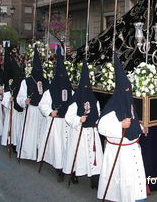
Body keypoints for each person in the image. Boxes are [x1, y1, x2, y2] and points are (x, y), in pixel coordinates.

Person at [97, 54, 147, 202]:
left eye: (129, 90)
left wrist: (140, 127)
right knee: (123, 185)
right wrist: (120, 125)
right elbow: (101, 127)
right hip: (119, 152)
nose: (128, 93)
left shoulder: (129, 104)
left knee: (134, 185)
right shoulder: (112, 108)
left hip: (132, 149)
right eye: (125, 90)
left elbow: (133, 119)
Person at [63, 60, 103, 188]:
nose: (86, 89)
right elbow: (68, 116)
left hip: (91, 133)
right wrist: (78, 120)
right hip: (78, 132)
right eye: (84, 87)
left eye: (88, 87)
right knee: (78, 155)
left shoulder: (94, 100)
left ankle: (94, 179)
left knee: (94, 156)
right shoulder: (75, 100)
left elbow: (98, 114)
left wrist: (95, 122)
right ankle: (74, 173)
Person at [38, 47, 75, 182]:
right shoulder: (50, 92)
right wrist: (50, 112)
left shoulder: (71, 92)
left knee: (70, 147)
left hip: (68, 124)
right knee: (59, 148)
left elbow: (75, 106)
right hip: (56, 124)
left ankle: (71, 172)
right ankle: (59, 169)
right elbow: (43, 105)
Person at [17, 47, 49, 161]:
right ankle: (27, 153)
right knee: (29, 134)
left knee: (41, 133)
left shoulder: (46, 82)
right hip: (30, 111)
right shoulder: (26, 81)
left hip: (41, 112)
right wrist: (24, 101)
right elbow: (20, 97)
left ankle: (40, 154)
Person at [1, 47, 24, 151]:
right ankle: (10, 141)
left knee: (18, 128)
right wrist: (8, 100)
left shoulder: (20, 82)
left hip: (18, 110)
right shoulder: (7, 82)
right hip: (11, 109)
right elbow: (5, 95)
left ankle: (16, 143)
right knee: (11, 127)